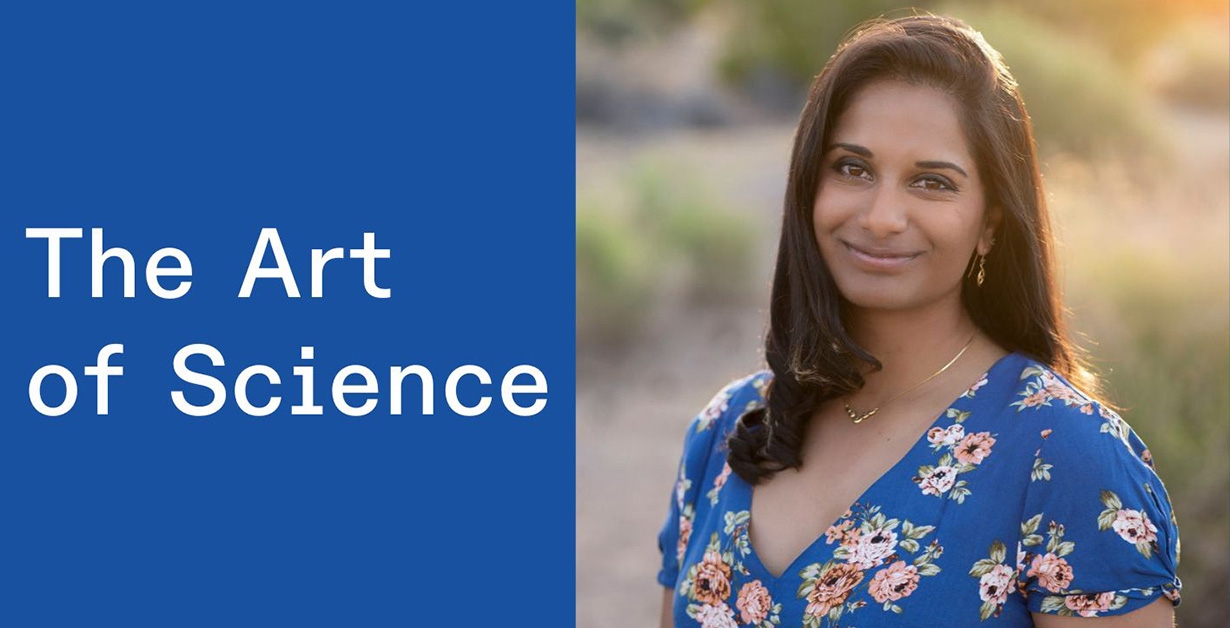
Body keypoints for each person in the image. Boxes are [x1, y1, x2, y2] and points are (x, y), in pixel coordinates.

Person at [655, 14, 1182, 628]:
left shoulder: (1066, 458)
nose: (881, 216)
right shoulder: (726, 433)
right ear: (808, 188)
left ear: (990, 225)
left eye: (932, 182)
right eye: (852, 168)